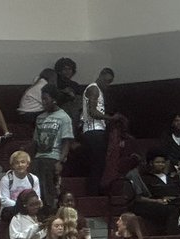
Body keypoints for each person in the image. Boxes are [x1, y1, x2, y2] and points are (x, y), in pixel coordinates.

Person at [31, 86, 72, 212]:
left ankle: (49, 211)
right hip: (39, 157)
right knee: (37, 187)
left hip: (53, 158)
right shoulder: (40, 118)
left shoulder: (64, 117)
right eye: (42, 99)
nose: (43, 102)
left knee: (49, 188)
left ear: (54, 100)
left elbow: (66, 141)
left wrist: (60, 161)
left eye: (45, 99)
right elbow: (35, 141)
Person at [80, 68, 116, 197]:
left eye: (109, 82)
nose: (107, 84)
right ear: (100, 76)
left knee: (97, 164)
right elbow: (92, 112)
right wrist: (110, 118)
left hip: (94, 130)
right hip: (94, 130)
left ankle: (93, 191)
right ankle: (93, 193)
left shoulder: (97, 90)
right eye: (106, 81)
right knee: (98, 164)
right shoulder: (94, 89)